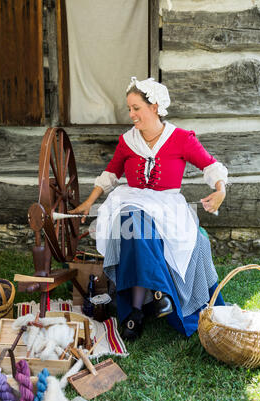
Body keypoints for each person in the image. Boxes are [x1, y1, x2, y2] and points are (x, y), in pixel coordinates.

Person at [70, 76, 227, 341]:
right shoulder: (127, 141)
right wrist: (88, 202)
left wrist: (220, 190)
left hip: (167, 203)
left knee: (147, 231)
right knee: (133, 222)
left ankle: (137, 310)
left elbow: (210, 166)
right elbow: (110, 174)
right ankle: (155, 297)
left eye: (136, 108)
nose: (131, 114)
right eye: (129, 108)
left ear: (154, 106)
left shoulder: (180, 138)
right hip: (131, 198)